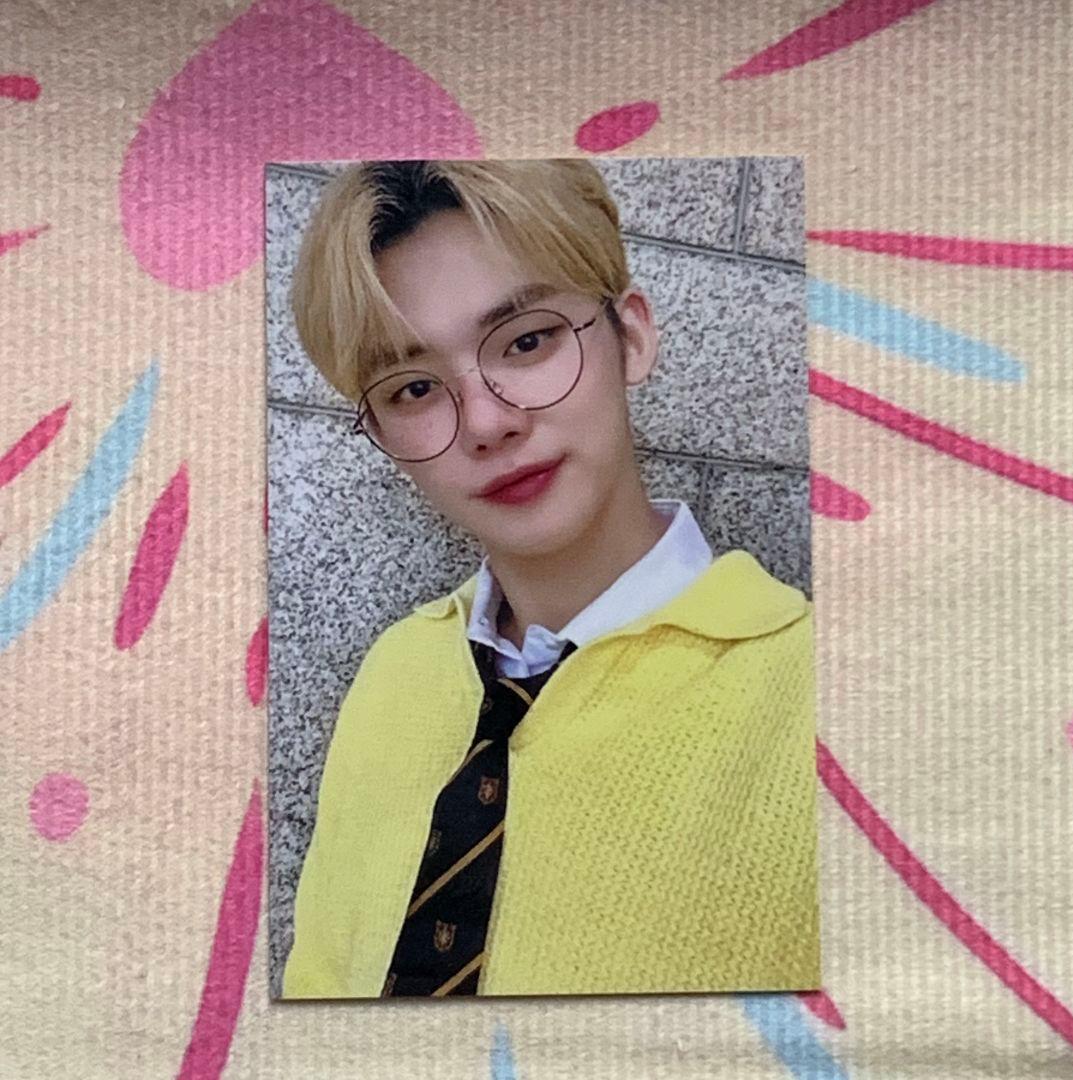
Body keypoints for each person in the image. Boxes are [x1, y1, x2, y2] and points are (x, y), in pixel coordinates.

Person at [280, 159, 819, 998]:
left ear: (630, 337)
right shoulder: (395, 673)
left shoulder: (813, 695)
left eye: (527, 341)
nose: (487, 422)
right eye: (414, 388)